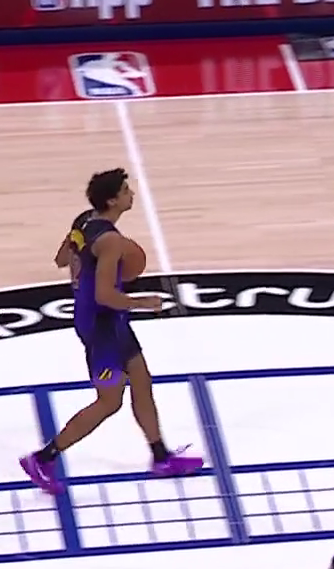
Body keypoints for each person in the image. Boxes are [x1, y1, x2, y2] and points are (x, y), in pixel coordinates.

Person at [19, 169, 203, 494]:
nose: (132, 194)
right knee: (109, 402)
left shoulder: (84, 220)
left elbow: (61, 259)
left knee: (141, 379)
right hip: (101, 323)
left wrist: (86, 266)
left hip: (103, 317)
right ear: (112, 200)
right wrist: (144, 302)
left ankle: (161, 457)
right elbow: (105, 295)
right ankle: (43, 458)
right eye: (125, 190)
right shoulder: (111, 242)